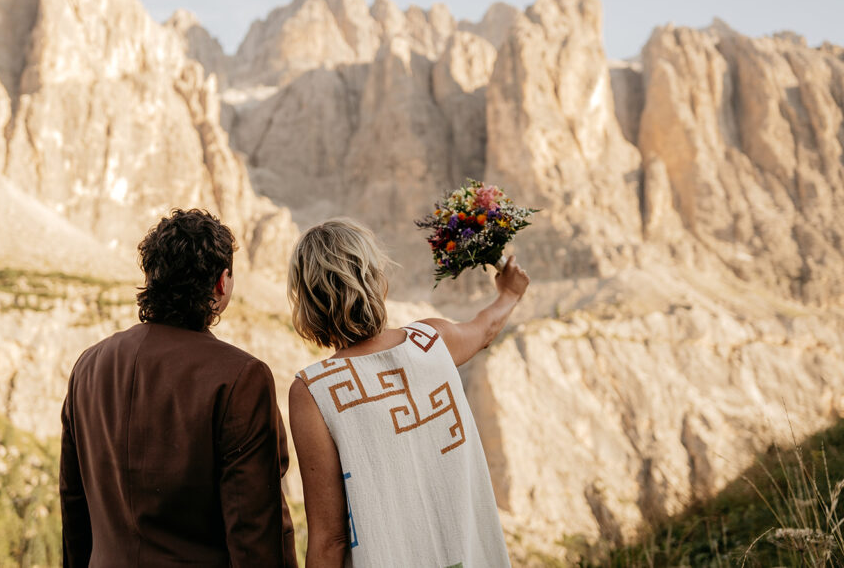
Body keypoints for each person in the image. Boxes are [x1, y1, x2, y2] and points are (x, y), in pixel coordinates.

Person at [60, 208, 297, 567]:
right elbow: (255, 537)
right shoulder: (241, 377)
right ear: (222, 282)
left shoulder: (87, 367)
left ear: (152, 277)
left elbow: (74, 507)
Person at [287, 218, 529, 567]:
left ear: (309, 300)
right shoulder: (431, 341)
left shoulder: (313, 392)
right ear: (375, 280)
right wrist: (510, 294)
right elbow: (485, 329)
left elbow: (331, 540)